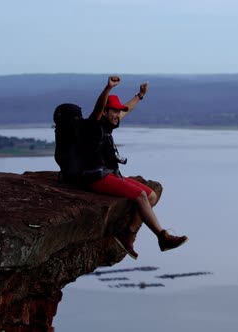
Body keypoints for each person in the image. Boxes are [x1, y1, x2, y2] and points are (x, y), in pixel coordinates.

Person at [80, 75, 188, 260]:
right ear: (105, 112)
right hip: (96, 178)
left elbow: (126, 110)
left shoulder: (109, 125)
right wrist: (108, 89)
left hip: (111, 175)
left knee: (152, 195)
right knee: (140, 196)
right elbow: (98, 108)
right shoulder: (94, 124)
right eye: (113, 111)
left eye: (118, 112)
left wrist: (140, 95)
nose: (117, 115)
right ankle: (163, 237)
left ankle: (128, 233)